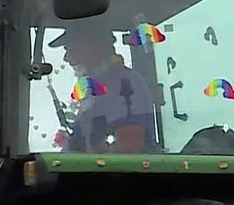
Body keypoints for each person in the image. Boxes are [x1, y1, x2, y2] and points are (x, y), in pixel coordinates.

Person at [49, 22, 158, 154]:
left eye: (71, 49)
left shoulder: (122, 83)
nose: (67, 58)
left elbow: (129, 146)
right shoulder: (98, 86)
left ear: (96, 47)